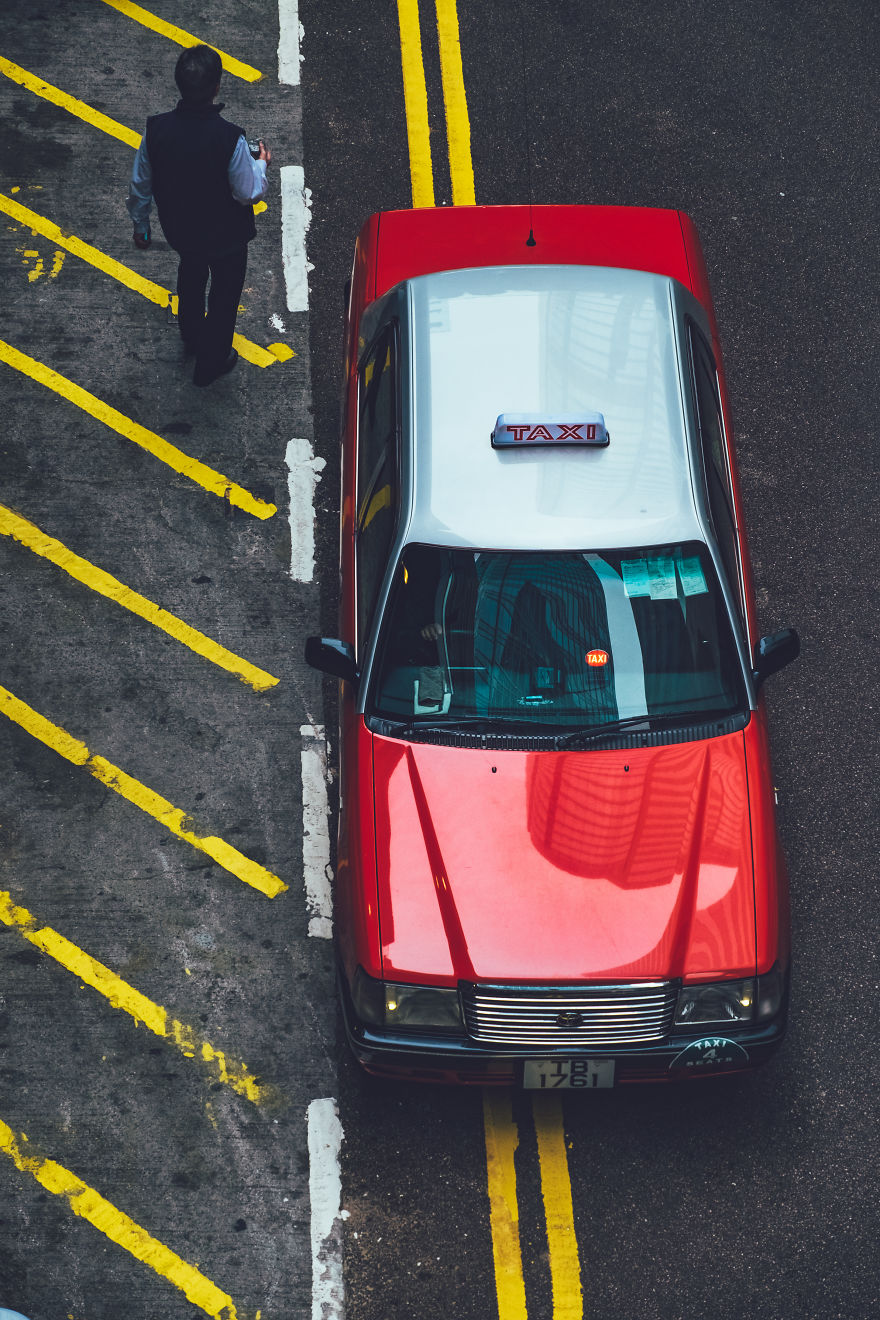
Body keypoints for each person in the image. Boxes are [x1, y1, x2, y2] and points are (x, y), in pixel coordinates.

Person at [127, 45, 271, 387]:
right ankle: (210, 363)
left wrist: (141, 226)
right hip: (227, 238)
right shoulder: (230, 139)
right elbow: (248, 192)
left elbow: (140, 184)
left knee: (190, 274)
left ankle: (190, 334)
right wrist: (262, 163)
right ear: (217, 87)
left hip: (182, 231)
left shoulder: (156, 129)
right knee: (224, 296)